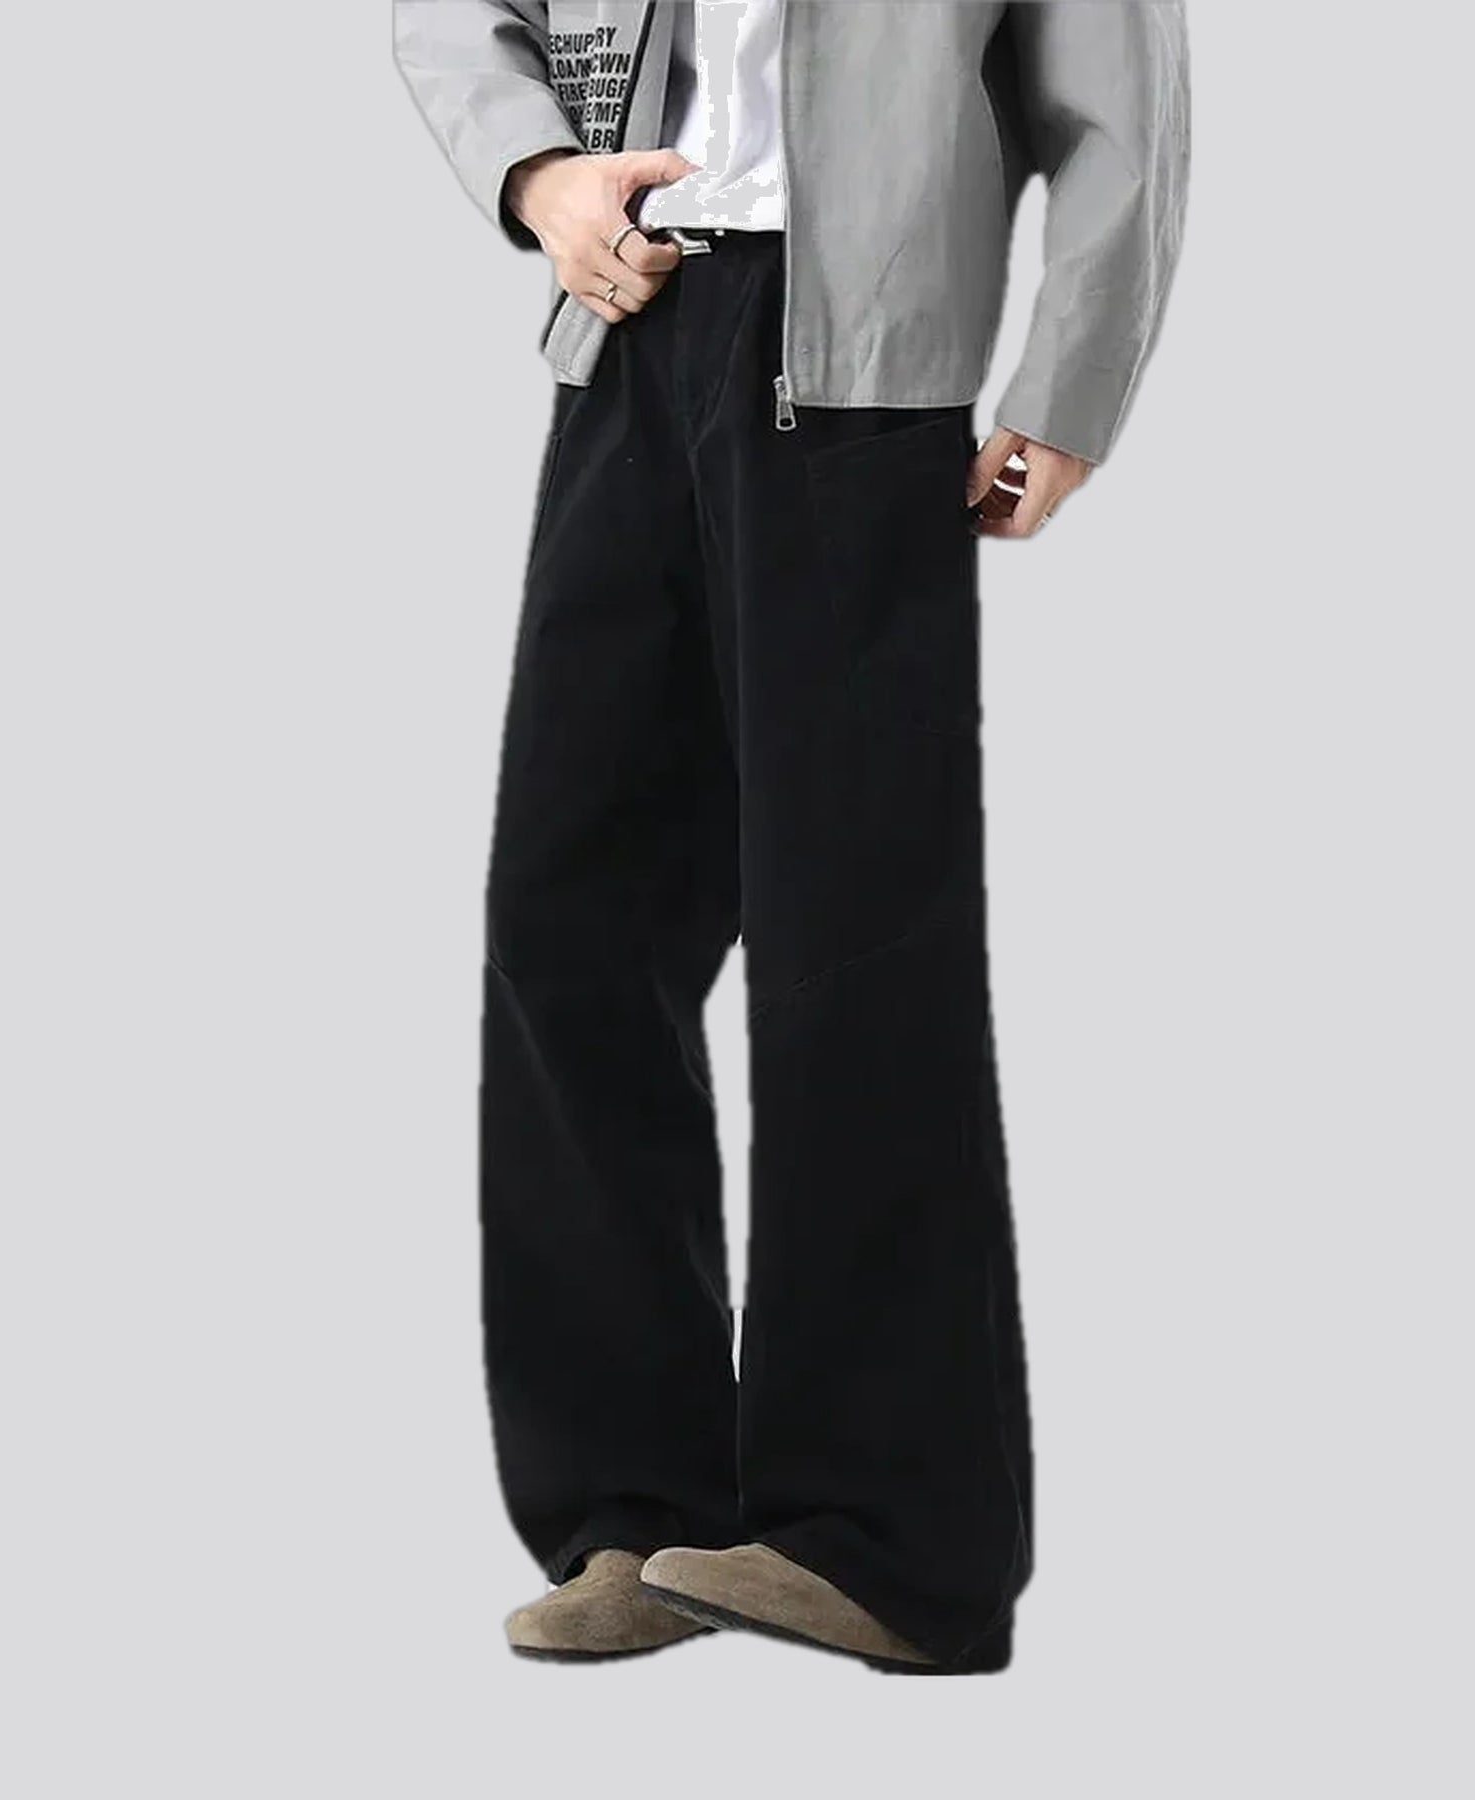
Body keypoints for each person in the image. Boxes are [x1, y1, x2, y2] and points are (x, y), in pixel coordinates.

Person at [395, 0, 1188, 1675]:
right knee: (571, 934)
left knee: (857, 948)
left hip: (862, 373)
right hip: (632, 329)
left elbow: (1120, 103)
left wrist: (1069, 379)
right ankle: (634, 1504)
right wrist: (541, 178)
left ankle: (893, 1544)